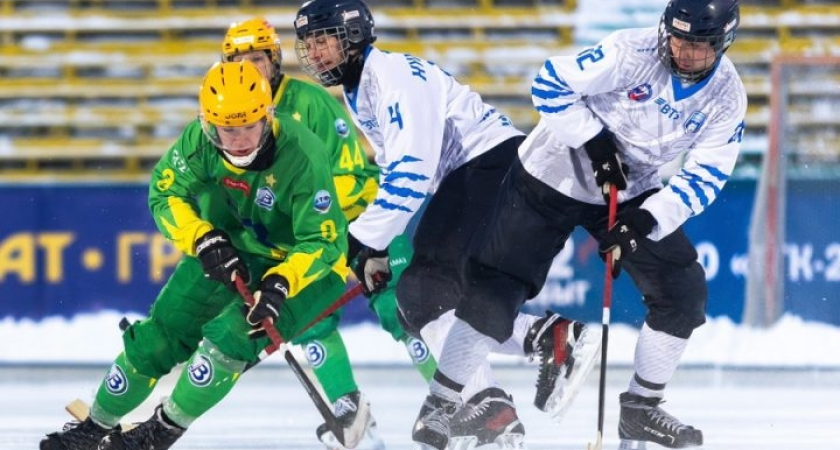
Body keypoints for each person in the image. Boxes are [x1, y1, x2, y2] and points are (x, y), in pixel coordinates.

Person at [424, 0, 747, 449]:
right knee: (495, 288)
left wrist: (645, 222)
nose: (684, 53)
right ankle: (440, 403)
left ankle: (641, 409)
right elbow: (549, 83)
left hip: (630, 189)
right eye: (678, 40)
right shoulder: (628, 52)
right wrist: (594, 143)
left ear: (722, 43)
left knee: (682, 290)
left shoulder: (728, 98)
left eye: (698, 46)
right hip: (549, 171)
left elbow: (705, 175)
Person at [293, 2, 599, 449]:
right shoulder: (361, 88)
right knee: (431, 298)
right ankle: (545, 344)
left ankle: (497, 399)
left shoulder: (391, 77)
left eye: (325, 39)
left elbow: (413, 171)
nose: (316, 53)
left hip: (487, 168)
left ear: (354, 35)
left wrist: (362, 241)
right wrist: (376, 246)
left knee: (422, 294)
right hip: (485, 172)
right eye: (310, 43)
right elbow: (402, 167)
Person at [40, 60, 360, 450]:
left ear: (268, 116)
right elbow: (165, 192)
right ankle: (93, 427)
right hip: (233, 246)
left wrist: (280, 283)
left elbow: (324, 242)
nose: (238, 140)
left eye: (248, 127)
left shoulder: (304, 156)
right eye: (227, 129)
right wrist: (203, 239)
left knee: (230, 337)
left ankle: (159, 433)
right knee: (158, 338)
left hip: (308, 268)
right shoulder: (198, 140)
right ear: (209, 124)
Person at [219, 17, 438, 449]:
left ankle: (458, 399)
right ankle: (348, 408)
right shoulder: (228, 113)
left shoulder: (310, 104)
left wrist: (335, 230)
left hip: (360, 220)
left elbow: (350, 174)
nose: (250, 67)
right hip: (304, 237)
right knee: (309, 324)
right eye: (238, 60)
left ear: (274, 60)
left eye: (257, 58)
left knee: (404, 311)